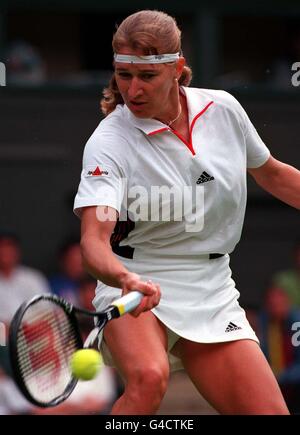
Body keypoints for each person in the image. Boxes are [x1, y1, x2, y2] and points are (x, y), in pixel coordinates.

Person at [74, 10, 300, 415]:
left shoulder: (224, 110)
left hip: (211, 287)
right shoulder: (109, 142)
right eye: (124, 76)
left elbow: (274, 175)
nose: (133, 90)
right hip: (136, 281)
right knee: (148, 378)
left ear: (177, 69)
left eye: (147, 77)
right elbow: (93, 239)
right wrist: (126, 278)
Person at [257, 286, 300, 413]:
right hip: (278, 388)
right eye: (271, 304)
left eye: (279, 303)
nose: (275, 307)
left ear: (288, 302)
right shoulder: (267, 323)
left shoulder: (296, 324)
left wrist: (279, 376)